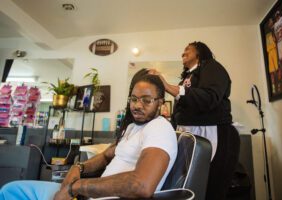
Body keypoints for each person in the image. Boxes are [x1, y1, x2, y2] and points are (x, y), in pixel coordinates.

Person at [0, 74, 178, 200]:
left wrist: (76, 187)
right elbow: (106, 155)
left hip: (93, 194)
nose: (138, 105)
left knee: (12, 193)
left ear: (160, 103)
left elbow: (141, 185)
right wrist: (78, 168)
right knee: (12, 190)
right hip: (90, 194)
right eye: (134, 99)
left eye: (146, 100)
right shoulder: (133, 127)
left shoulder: (160, 128)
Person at [149, 41, 240, 200]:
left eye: (187, 50)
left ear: (199, 53)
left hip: (212, 134)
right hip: (187, 135)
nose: (182, 53)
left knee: (211, 189)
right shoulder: (186, 78)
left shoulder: (212, 67)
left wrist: (168, 86)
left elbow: (210, 98)